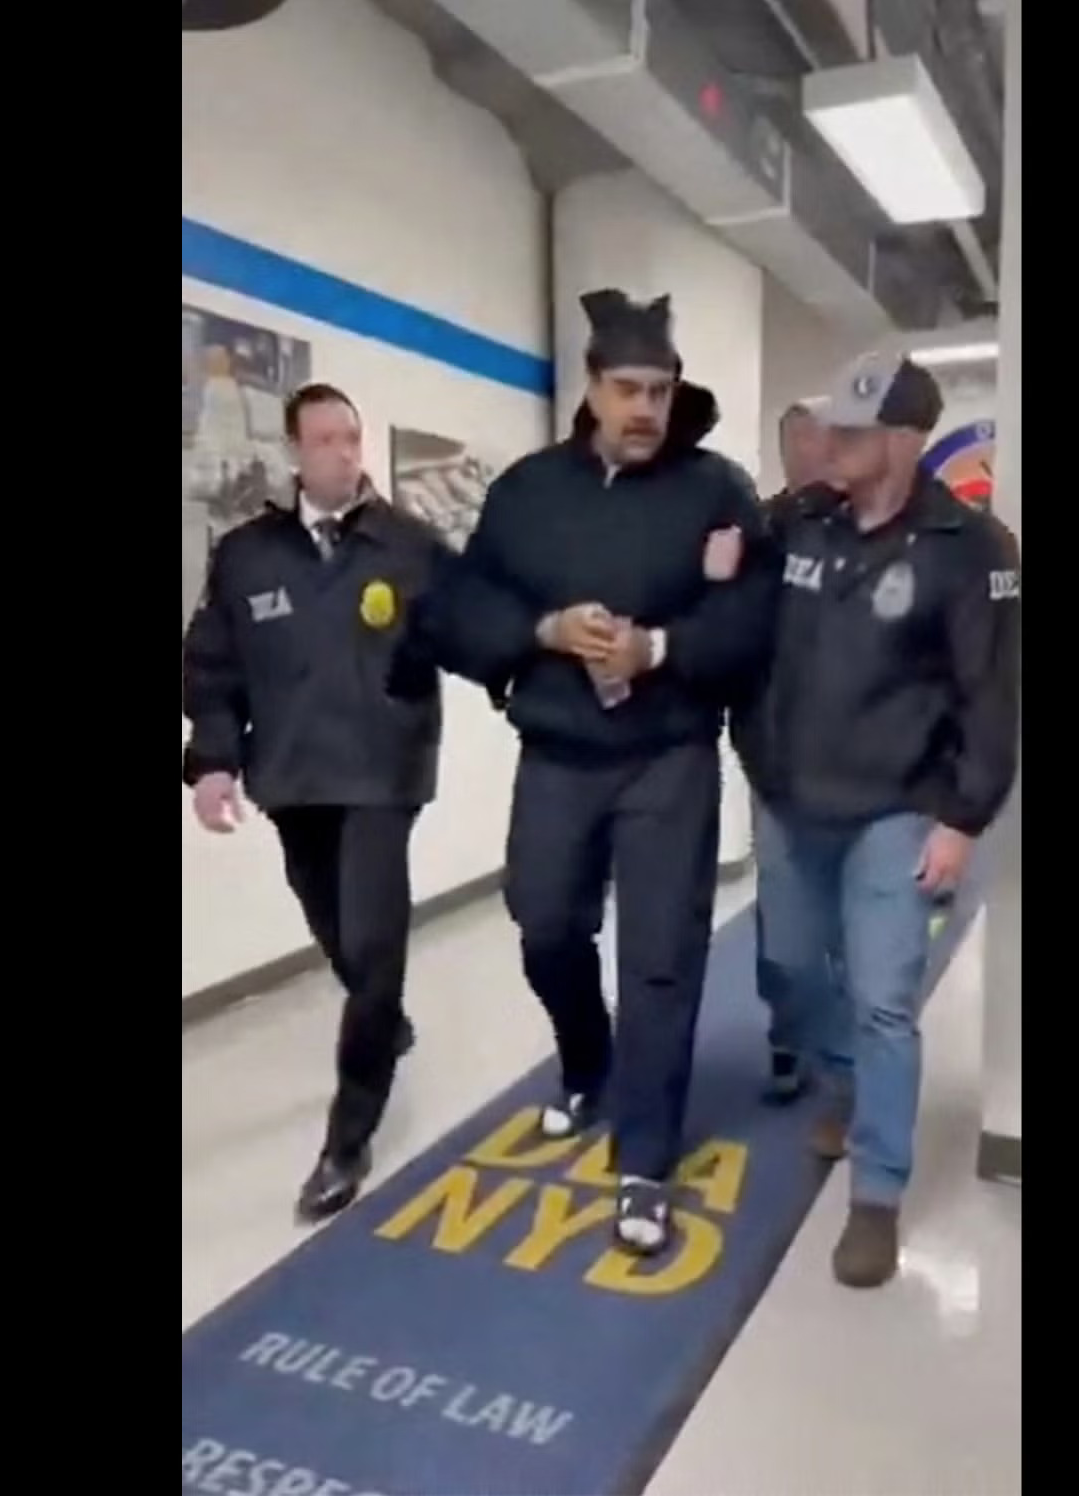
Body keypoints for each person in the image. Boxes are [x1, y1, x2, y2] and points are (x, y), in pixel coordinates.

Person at [417, 289, 774, 1257]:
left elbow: (753, 620)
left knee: (659, 957)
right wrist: (541, 630)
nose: (645, 409)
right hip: (558, 754)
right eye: (627, 389)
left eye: (659, 390)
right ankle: (588, 1061)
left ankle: (644, 1159)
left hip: (670, 758)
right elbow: (456, 610)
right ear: (590, 387)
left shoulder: (717, 492)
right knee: (544, 924)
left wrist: (660, 648)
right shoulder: (527, 493)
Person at [730, 351, 1021, 1288]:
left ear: (902, 441)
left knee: (883, 997)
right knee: (787, 966)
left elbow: (991, 698)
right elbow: (736, 620)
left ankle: (877, 1193)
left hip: (896, 810)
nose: (830, 443)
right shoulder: (798, 521)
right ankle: (845, 1076)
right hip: (789, 799)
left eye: (851, 431)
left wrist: (962, 820)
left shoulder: (969, 549)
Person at [183, 382, 448, 1221]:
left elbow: (473, 626)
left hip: (381, 774)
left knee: (372, 945)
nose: (343, 453)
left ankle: (347, 1139)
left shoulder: (409, 545)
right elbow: (212, 668)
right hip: (292, 777)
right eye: (325, 439)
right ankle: (383, 1018)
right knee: (335, 928)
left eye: (351, 437)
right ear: (295, 451)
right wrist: (212, 763)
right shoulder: (245, 555)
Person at [747, 398, 839, 1105]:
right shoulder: (759, 531)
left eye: (825, 439)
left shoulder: (871, 529)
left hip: (866, 768)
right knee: (785, 934)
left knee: (857, 930)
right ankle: (787, 1031)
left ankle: (844, 1074)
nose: (815, 451)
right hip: (776, 764)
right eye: (801, 440)